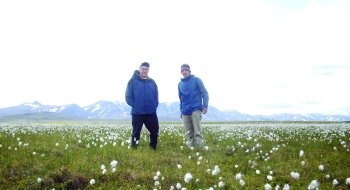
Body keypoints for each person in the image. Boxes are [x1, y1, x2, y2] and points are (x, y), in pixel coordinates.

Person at [125, 62, 159, 150]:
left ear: (148, 70)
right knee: (136, 132)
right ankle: (134, 149)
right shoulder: (132, 81)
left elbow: (156, 95)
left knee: (155, 130)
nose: (145, 71)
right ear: (139, 69)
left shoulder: (152, 82)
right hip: (137, 112)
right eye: (143, 69)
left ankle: (153, 148)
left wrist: (154, 105)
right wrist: (135, 105)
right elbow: (128, 96)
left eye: (146, 69)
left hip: (151, 112)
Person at [178, 64, 209, 148]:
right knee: (189, 133)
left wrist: (205, 106)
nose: (184, 72)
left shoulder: (197, 80)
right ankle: (190, 150)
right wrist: (181, 110)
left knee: (197, 132)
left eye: (185, 70)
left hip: (195, 109)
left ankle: (199, 149)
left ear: (189, 71)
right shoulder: (180, 84)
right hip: (185, 111)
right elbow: (181, 98)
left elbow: (204, 93)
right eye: (182, 70)